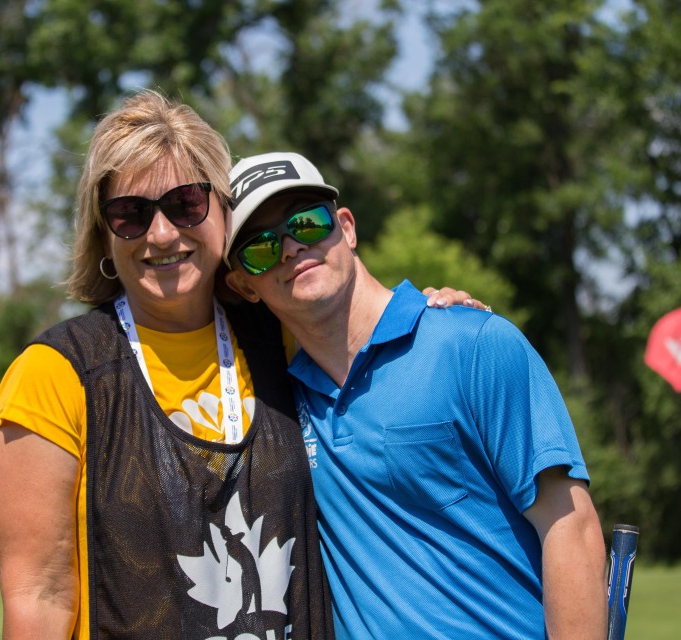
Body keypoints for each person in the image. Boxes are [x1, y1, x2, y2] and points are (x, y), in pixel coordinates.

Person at [0, 92, 475, 639]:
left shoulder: (286, 340)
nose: (162, 233)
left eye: (186, 203)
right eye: (131, 215)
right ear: (103, 232)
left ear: (222, 212)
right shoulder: (56, 373)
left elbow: (373, 334)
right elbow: (39, 597)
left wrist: (435, 317)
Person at [222, 151, 608, 639]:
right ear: (244, 285)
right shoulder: (276, 404)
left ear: (346, 226)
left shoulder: (475, 344)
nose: (291, 248)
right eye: (260, 247)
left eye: (307, 223)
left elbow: (570, 527)